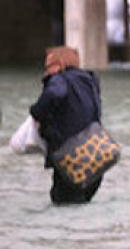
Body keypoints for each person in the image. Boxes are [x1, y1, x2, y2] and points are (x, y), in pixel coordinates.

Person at [29, 46, 105, 204]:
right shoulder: (90, 80)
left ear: (60, 64)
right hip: (96, 158)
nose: (46, 71)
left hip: (71, 160)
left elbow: (53, 94)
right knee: (82, 205)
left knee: (62, 204)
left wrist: (36, 112)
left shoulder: (60, 79)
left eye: (48, 66)